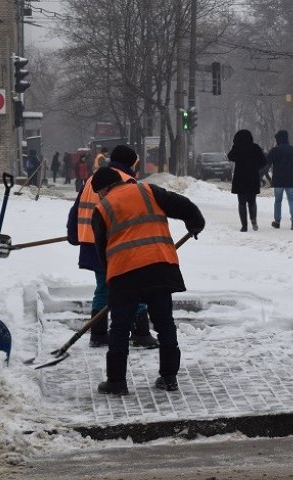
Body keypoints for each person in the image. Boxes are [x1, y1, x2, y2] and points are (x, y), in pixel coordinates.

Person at [90, 167, 205, 394]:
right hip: (159, 267)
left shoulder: (102, 208)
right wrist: (195, 224)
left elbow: (101, 250)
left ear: (104, 189)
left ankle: (116, 382)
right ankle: (169, 377)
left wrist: (111, 277)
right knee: (164, 323)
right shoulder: (149, 191)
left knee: (120, 328)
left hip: (124, 274)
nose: (101, 197)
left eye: (99, 193)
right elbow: (184, 206)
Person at [67, 145, 159, 349]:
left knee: (103, 288)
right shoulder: (126, 182)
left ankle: (98, 334)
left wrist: (74, 236)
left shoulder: (94, 178)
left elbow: (76, 210)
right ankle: (141, 332)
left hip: (92, 245)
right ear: (130, 163)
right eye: (136, 164)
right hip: (115, 245)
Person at [228, 129, 267, 232]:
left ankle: (244, 226)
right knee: (252, 201)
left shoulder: (237, 148)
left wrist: (235, 146)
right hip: (252, 177)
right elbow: (263, 161)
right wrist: (255, 167)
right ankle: (253, 221)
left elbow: (230, 156)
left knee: (241, 203)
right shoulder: (255, 147)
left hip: (240, 178)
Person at [267, 129, 293, 230]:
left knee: (278, 201)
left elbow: (267, 163)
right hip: (290, 179)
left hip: (278, 180)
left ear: (278, 139)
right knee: (291, 200)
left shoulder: (274, 150)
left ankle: (277, 222)